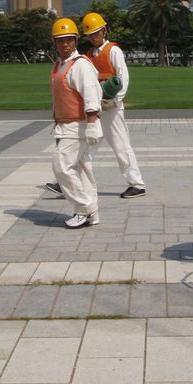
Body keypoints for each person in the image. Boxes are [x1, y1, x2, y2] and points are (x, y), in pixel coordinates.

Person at [45, 12, 146, 200]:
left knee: (120, 145)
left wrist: (114, 100)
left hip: (111, 107)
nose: (93, 37)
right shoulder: (90, 54)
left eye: (96, 33)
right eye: (90, 35)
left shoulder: (113, 51)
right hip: (96, 106)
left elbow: (123, 77)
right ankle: (66, 181)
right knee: (86, 147)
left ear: (104, 31)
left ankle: (137, 184)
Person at [50, 17, 103, 228]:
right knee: (83, 170)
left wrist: (91, 125)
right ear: (54, 42)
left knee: (61, 167)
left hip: (78, 125)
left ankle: (84, 208)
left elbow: (91, 95)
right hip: (67, 124)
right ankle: (92, 212)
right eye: (60, 40)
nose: (65, 44)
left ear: (76, 40)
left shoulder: (80, 65)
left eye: (69, 40)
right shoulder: (60, 65)